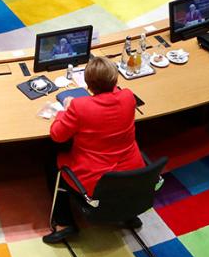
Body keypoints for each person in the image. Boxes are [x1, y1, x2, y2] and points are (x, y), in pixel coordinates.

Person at [43, 56, 144, 243]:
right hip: (133, 175)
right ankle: (127, 211)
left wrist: (64, 110)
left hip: (96, 181)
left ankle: (64, 223)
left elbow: (57, 135)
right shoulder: (128, 96)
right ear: (115, 79)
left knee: (52, 159)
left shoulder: (79, 107)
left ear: (88, 85)